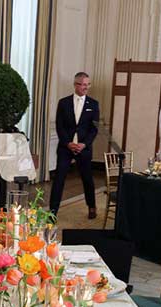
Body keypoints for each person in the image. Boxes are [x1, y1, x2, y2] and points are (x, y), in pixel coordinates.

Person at [50, 71, 100, 220]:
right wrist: (68, 143)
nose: (85, 87)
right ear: (75, 85)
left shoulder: (94, 104)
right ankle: (52, 212)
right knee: (59, 179)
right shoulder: (63, 103)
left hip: (84, 148)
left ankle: (92, 206)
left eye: (87, 84)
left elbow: (94, 128)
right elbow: (60, 126)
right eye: (82, 84)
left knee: (87, 179)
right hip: (66, 148)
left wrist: (84, 144)